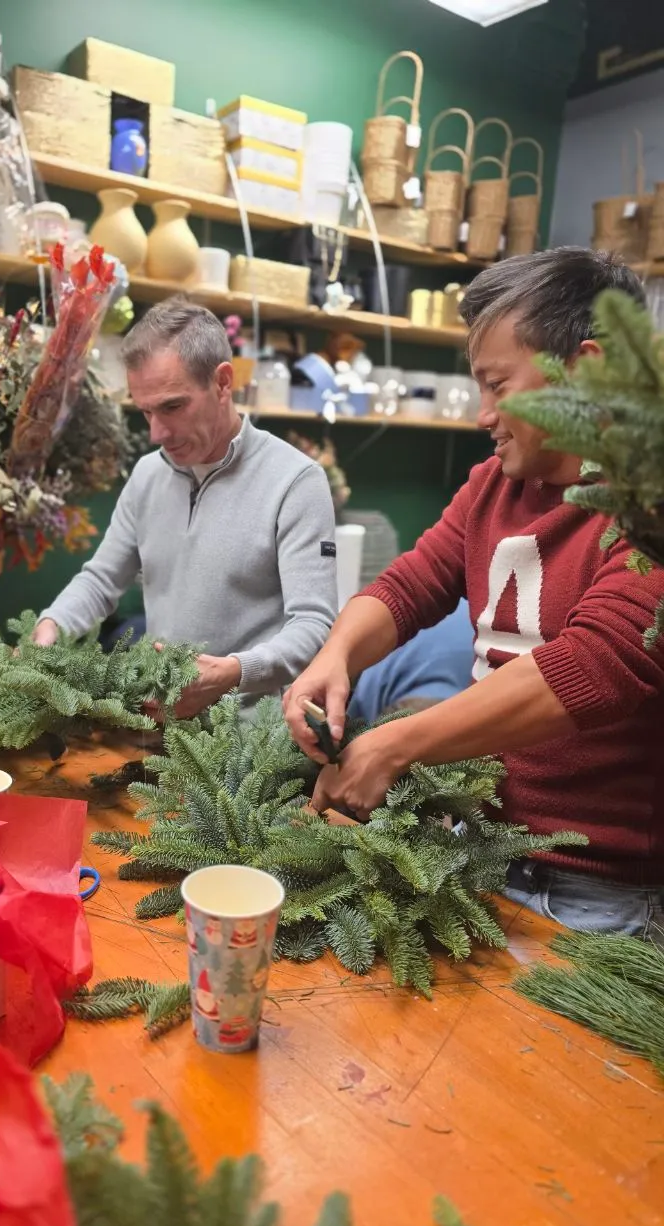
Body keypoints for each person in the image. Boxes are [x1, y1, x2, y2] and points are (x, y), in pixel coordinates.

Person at [284, 247, 664, 938]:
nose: (482, 414)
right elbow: (410, 584)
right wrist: (335, 656)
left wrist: (398, 745)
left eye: (498, 385)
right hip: (477, 855)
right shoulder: (494, 484)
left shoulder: (648, 506)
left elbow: (590, 667)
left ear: (584, 369)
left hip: (593, 900)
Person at [32, 299, 338, 717]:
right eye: (145, 412)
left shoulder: (296, 481)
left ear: (223, 382)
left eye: (173, 406)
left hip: (253, 749)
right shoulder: (146, 476)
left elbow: (315, 627)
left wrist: (232, 672)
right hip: (161, 730)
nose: (157, 432)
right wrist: (49, 629)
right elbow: (101, 581)